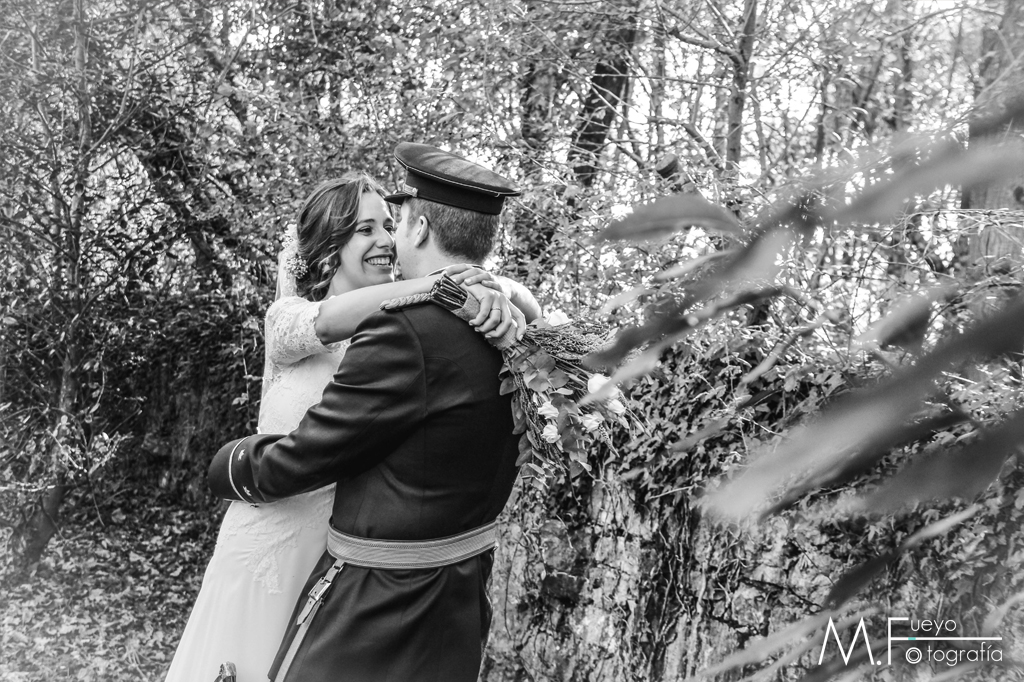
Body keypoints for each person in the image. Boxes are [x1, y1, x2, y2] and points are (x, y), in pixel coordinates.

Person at [165, 171, 538, 682]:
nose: (385, 239)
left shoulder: (411, 323)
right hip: (273, 543)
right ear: (331, 247)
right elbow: (330, 322)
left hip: (344, 558)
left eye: (388, 225)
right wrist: (444, 284)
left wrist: (495, 287)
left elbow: (511, 302)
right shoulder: (291, 317)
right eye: (365, 229)